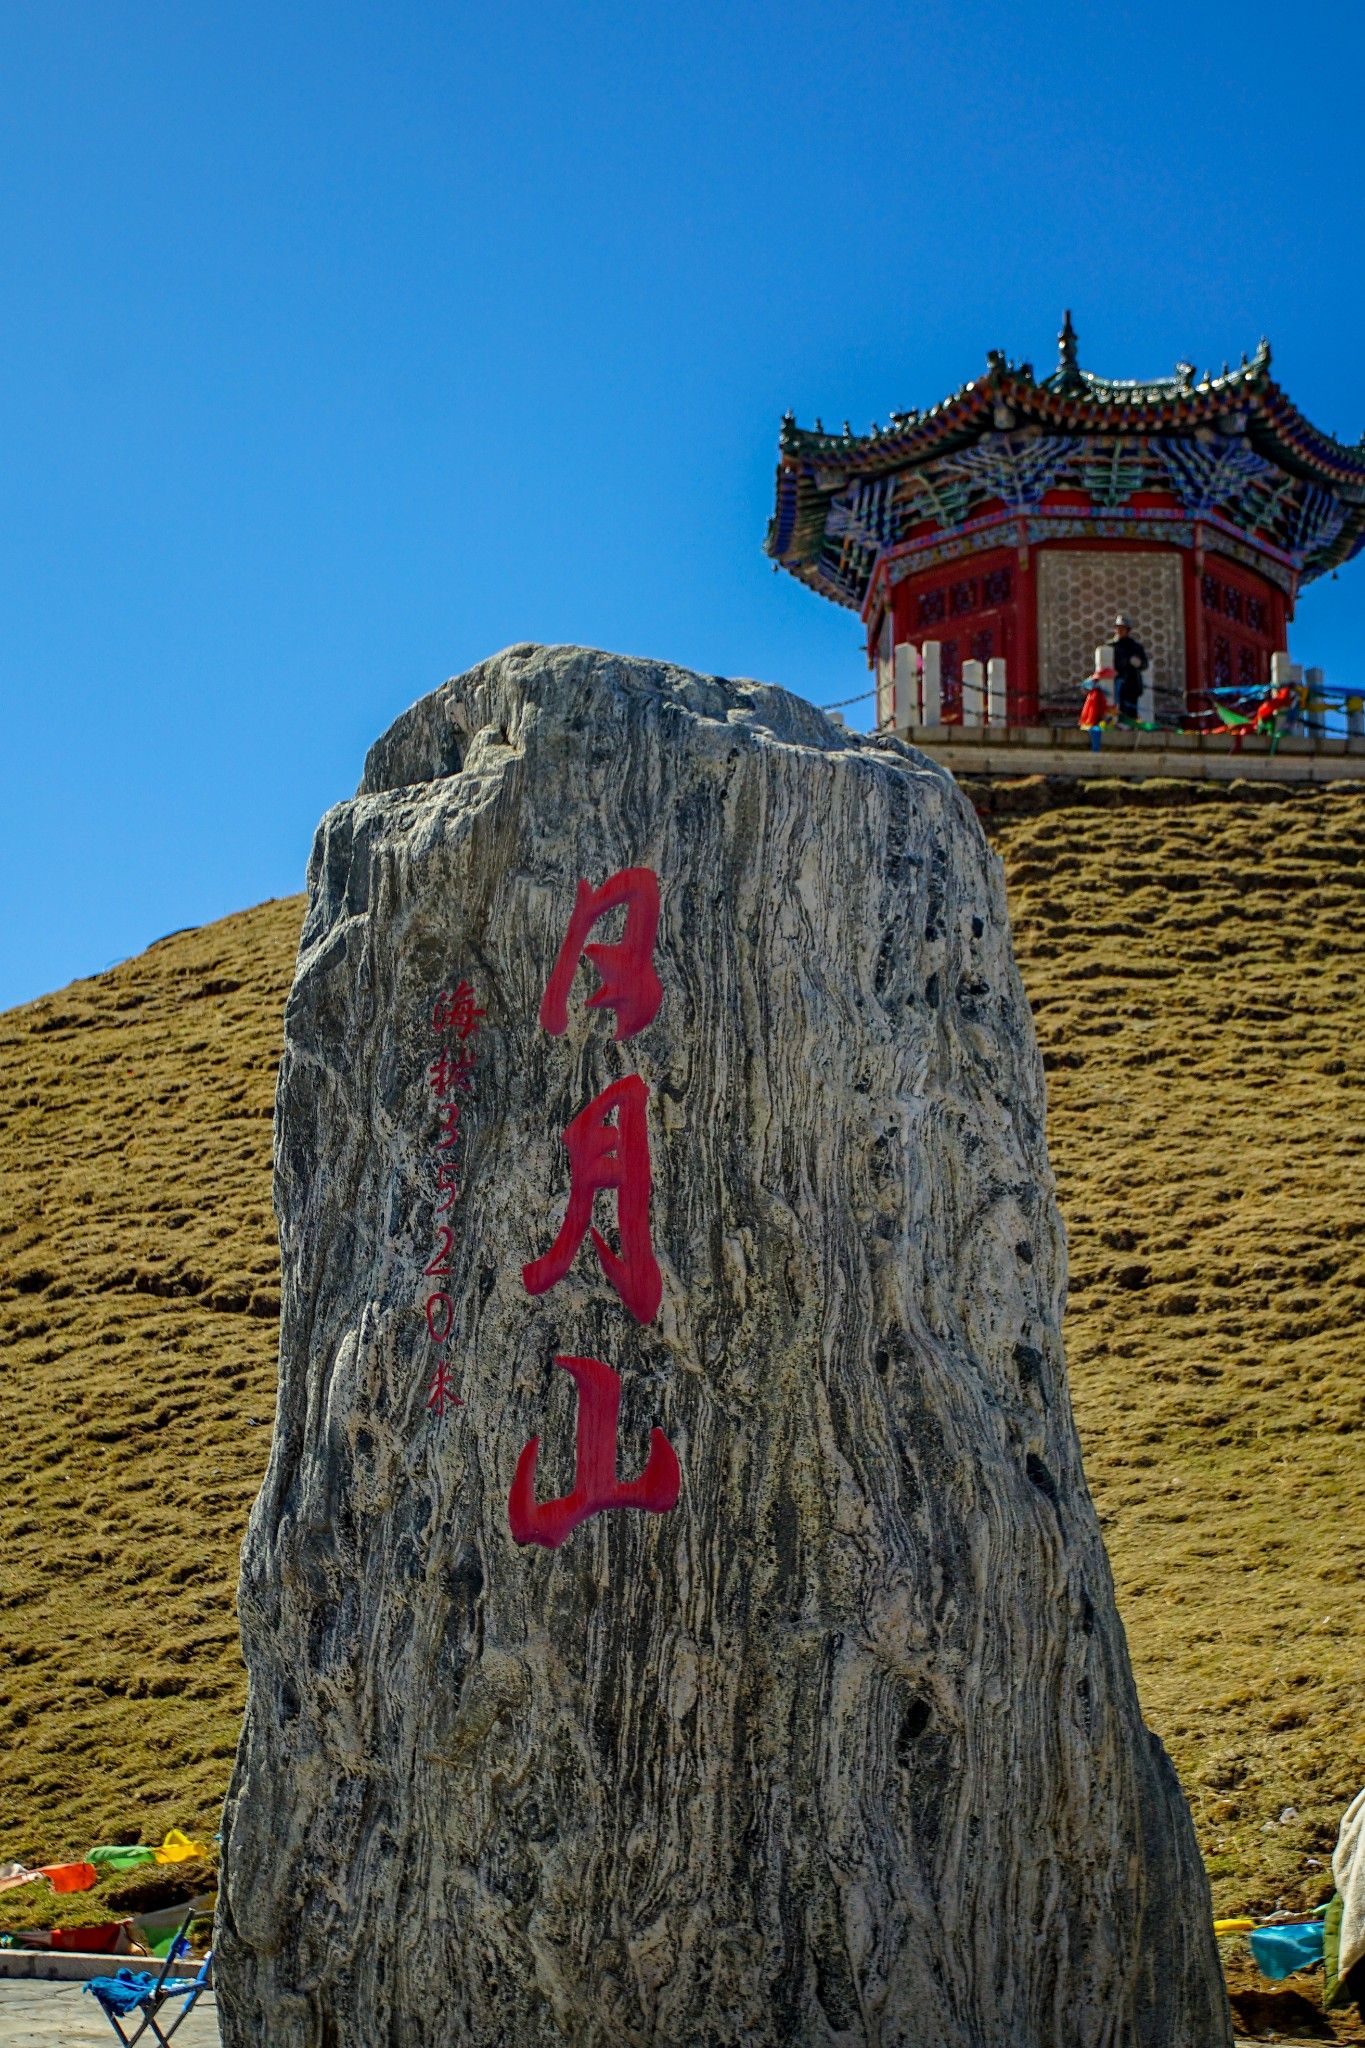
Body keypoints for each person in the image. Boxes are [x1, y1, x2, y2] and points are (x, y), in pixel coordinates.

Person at [1112, 615, 1148, 723]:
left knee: (1131, 713)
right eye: (1118, 628)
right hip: (1117, 685)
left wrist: (1139, 663)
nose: (1120, 630)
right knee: (1118, 713)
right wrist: (1126, 662)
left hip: (1132, 685)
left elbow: (1145, 665)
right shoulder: (1111, 646)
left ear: (1128, 630)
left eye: (1123, 628)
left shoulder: (1135, 647)